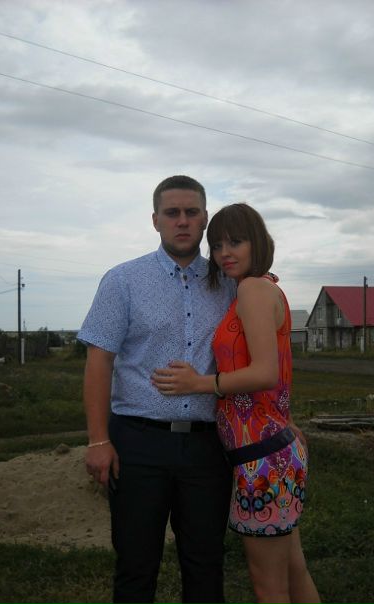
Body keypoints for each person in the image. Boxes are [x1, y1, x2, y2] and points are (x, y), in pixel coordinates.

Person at [152, 203, 320, 604]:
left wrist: (198, 383)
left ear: (257, 242)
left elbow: (265, 372)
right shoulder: (259, 287)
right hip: (270, 449)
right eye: (217, 245)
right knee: (293, 570)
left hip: (262, 460)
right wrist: (280, 418)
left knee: (268, 585)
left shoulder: (253, 289)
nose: (225, 252)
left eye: (236, 242)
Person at [77, 175, 235, 604]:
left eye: (191, 212)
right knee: (135, 566)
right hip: (137, 444)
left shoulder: (229, 285)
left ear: (205, 218)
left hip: (207, 448)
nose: (182, 221)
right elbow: (99, 361)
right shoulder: (123, 280)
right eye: (172, 213)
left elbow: (252, 359)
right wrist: (98, 440)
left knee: (205, 565)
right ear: (155, 220)